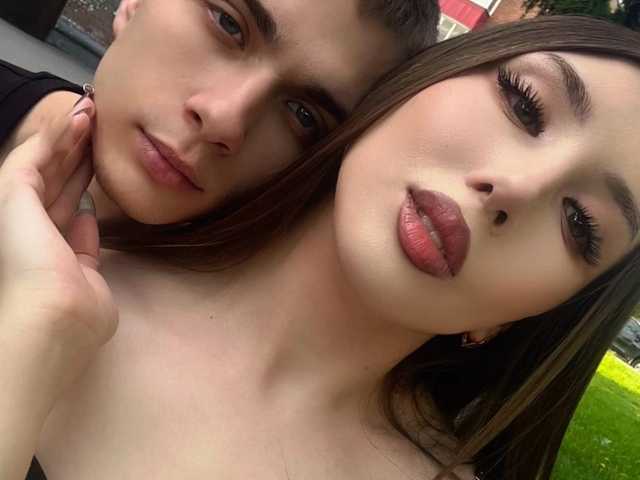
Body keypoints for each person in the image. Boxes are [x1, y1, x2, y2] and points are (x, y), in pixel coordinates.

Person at [2, 14, 640, 480]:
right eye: (526, 106)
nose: (516, 189)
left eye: (580, 224)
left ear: (543, 310)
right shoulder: (39, 225)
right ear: (424, 78)